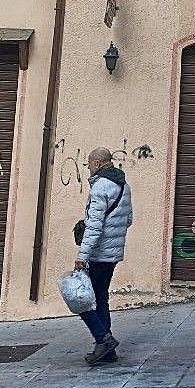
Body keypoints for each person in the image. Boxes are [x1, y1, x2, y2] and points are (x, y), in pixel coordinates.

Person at [75, 147, 133, 366]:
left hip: (99, 253)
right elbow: (128, 219)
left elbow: (94, 227)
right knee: (100, 297)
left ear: (98, 163)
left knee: (81, 299)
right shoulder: (124, 185)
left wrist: (82, 255)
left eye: (89, 163)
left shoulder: (100, 187)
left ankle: (103, 339)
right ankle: (107, 351)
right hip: (113, 253)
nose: (88, 167)